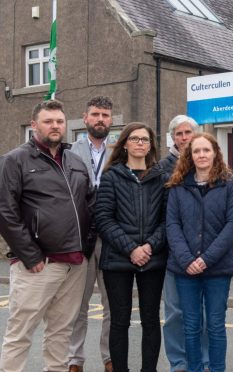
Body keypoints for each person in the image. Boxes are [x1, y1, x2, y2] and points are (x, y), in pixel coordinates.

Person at [0, 100, 92, 371]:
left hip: (74, 265)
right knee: (20, 335)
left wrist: (86, 248)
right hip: (39, 265)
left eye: (59, 121)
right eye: (48, 121)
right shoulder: (14, 160)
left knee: (60, 333)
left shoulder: (75, 161)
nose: (55, 126)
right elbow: (5, 212)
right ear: (33, 125)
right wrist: (29, 254)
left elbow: (90, 204)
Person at [166, 133, 233, 372]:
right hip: (184, 267)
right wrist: (188, 260)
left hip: (218, 267)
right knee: (190, 325)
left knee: (216, 325)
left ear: (215, 153)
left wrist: (206, 259)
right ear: (189, 155)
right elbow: (172, 225)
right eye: (196, 151)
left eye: (206, 150)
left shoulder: (231, 183)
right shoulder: (178, 186)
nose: (201, 155)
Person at [96, 122, 168, 372]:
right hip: (118, 259)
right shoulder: (111, 176)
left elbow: (168, 220)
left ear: (150, 146)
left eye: (145, 140)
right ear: (125, 143)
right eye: (135, 139)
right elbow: (103, 218)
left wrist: (149, 246)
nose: (140, 143)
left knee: (150, 320)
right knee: (120, 321)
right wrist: (131, 249)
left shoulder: (161, 177)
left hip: (153, 259)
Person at [68, 95, 114, 372]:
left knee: (113, 304)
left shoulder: (119, 152)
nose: (100, 119)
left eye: (105, 115)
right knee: (78, 305)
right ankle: (75, 359)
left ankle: (109, 357)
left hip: (110, 238)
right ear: (85, 118)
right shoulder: (70, 152)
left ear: (110, 120)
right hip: (81, 239)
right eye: (95, 114)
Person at [160, 115, 210, 372]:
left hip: (205, 255)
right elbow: (163, 215)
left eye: (187, 133)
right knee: (175, 314)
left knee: (202, 314)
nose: (183, 138)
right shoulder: (162, 168)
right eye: (178, 134)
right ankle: (179, 363)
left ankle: (202, 361)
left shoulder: (208, 166)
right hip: (174, 255)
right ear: (172, 138)